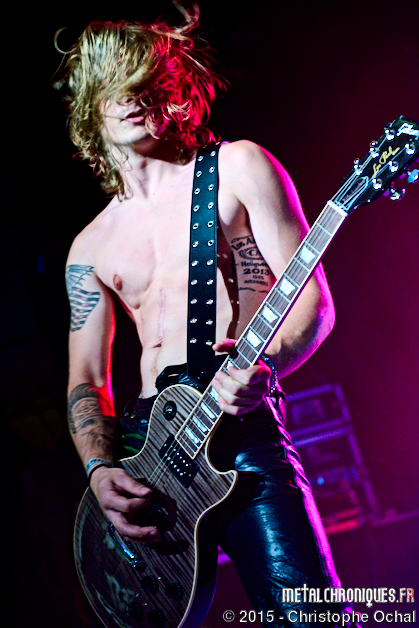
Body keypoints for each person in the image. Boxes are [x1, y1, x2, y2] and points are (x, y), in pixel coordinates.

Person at [57, 5, 350, 627]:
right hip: (146, 454)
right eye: (115, 83)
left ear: (172, 89)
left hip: (239, 434)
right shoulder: (89, 247)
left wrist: (268, 365)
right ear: (88, 100)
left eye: (146, 81)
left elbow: (314, 304)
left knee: (311, 616)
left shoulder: (239, 166)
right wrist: (100, 470)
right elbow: (87, 379)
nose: (133, 97)